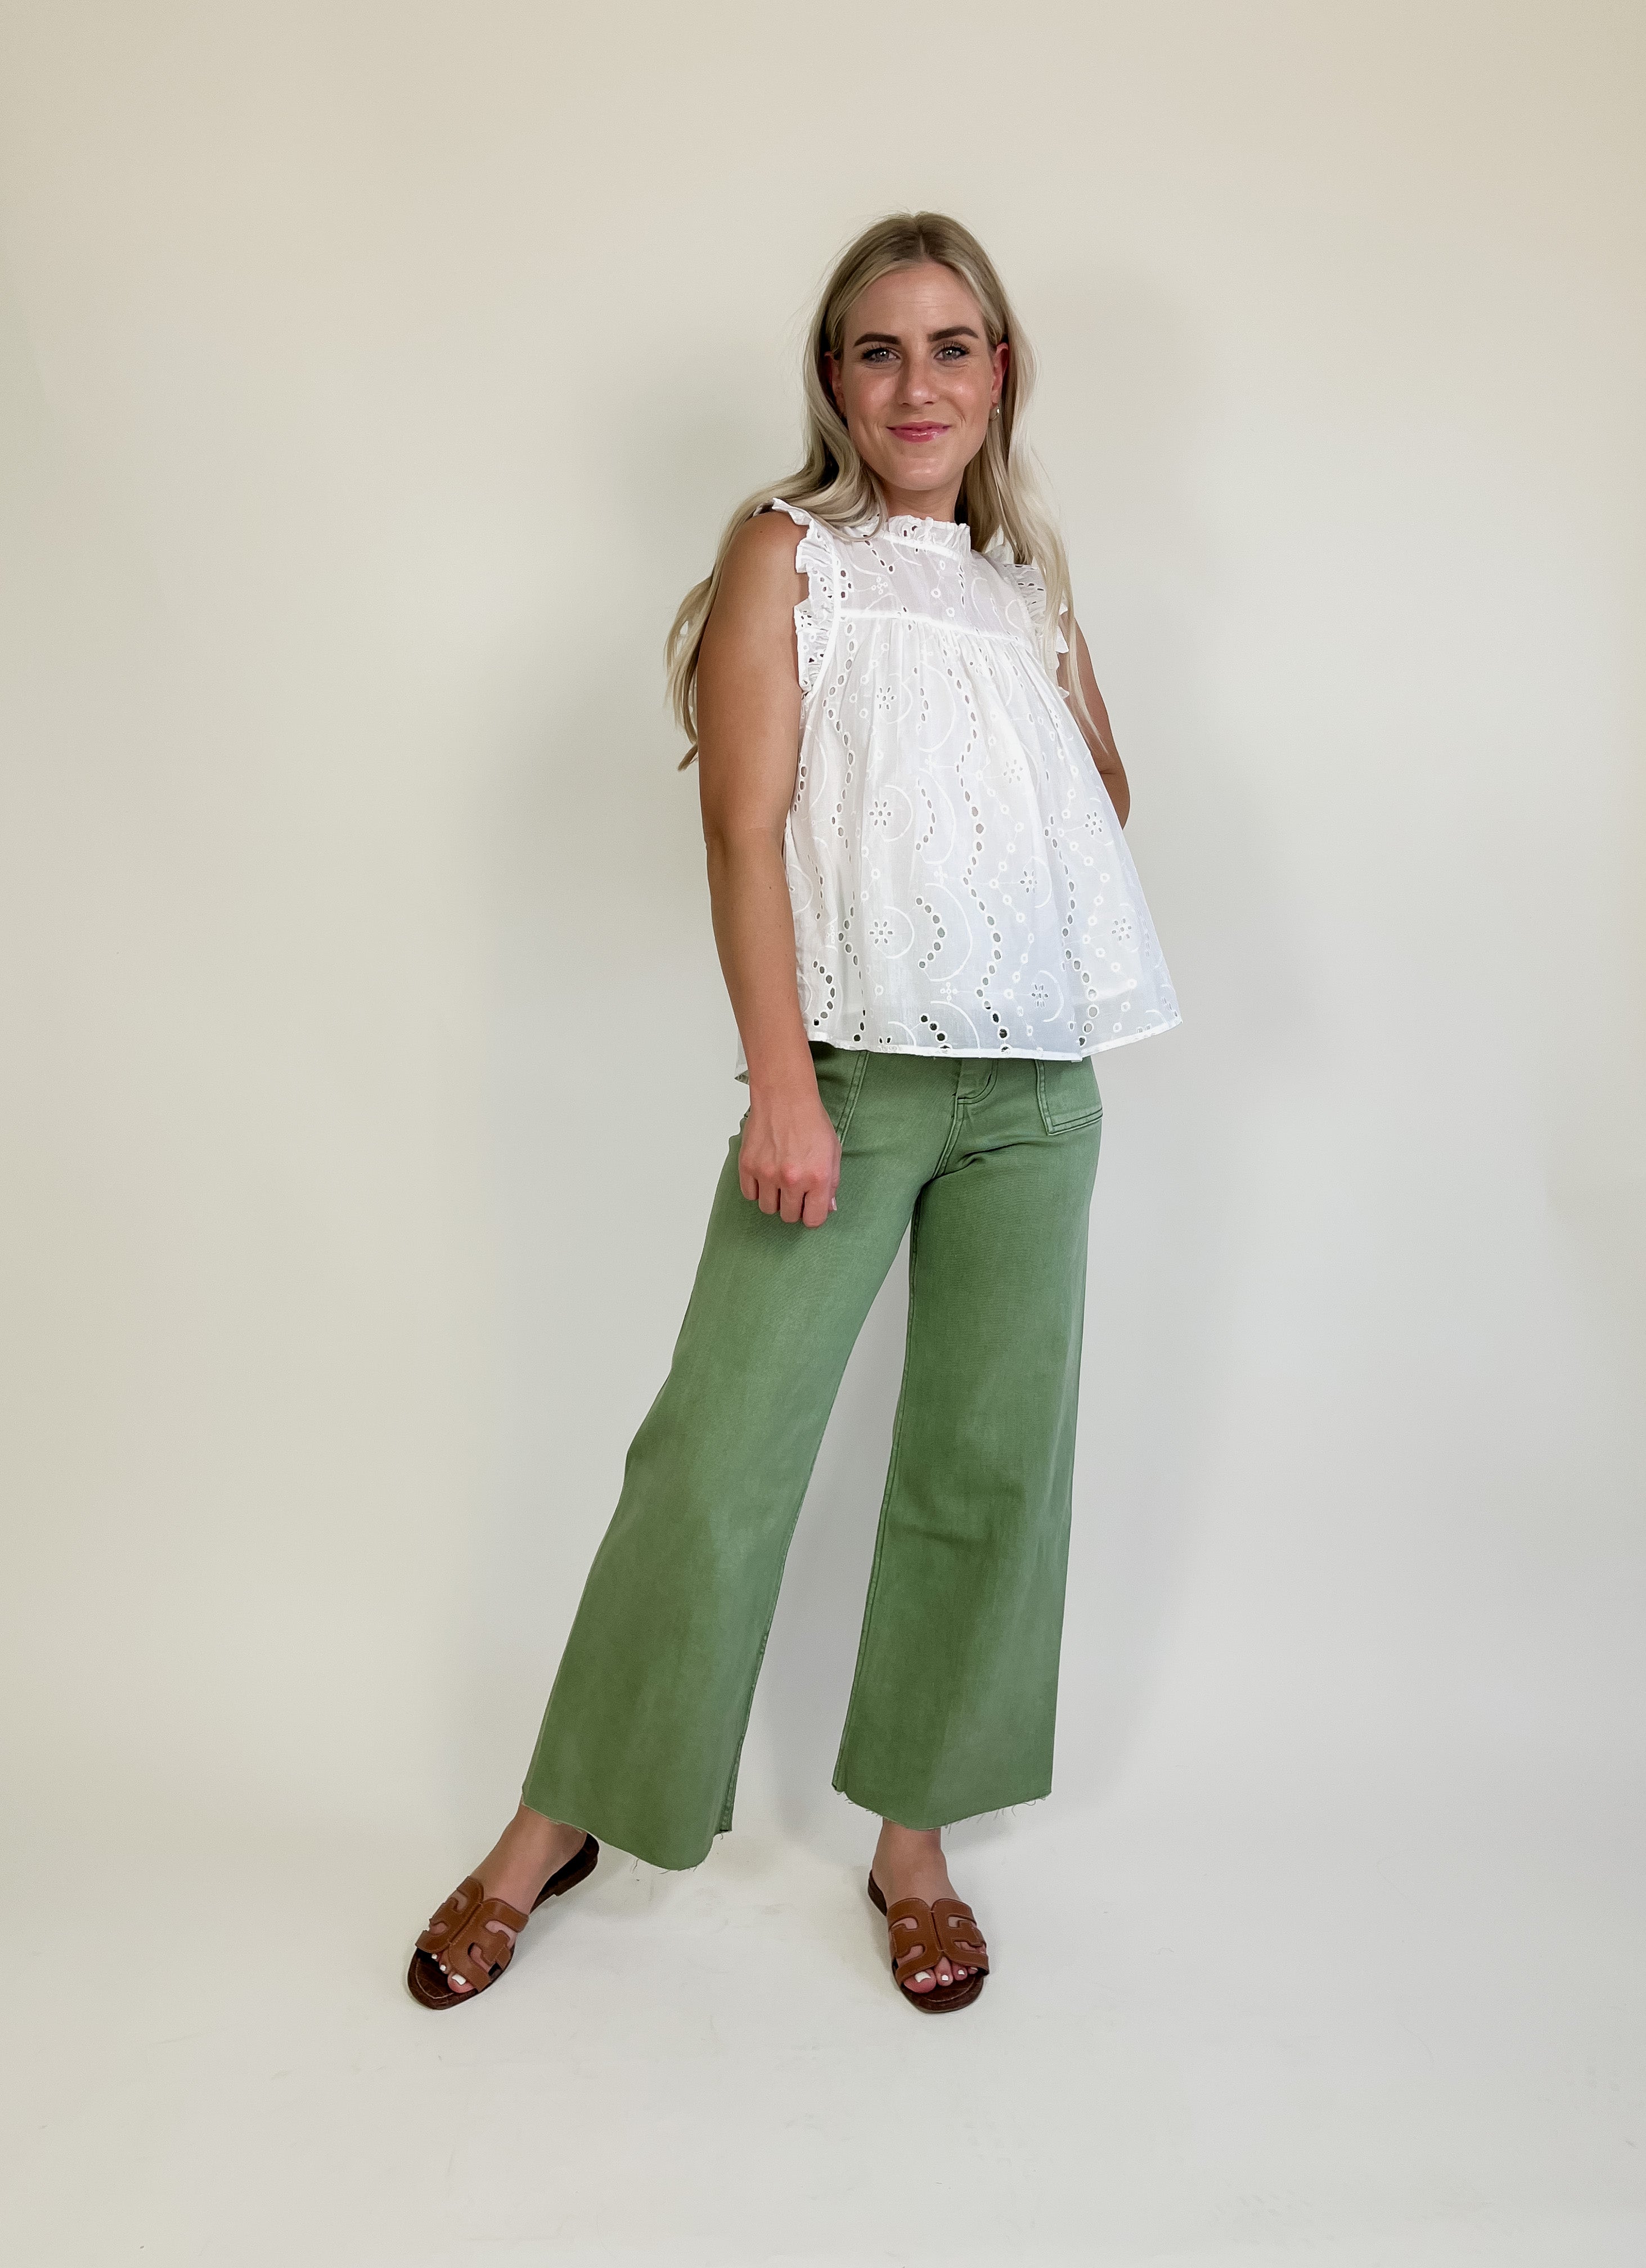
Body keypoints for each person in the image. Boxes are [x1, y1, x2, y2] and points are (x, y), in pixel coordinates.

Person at [408, 210, 1180, 2017]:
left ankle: (915, 1842)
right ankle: (553, 1825)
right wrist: (782, 1087)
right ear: (833, 379)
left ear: (1002, 372)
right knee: (716, 1456)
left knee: (990, 1464)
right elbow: (743, 831)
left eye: (953, 347)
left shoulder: (1025, 589)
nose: (918, 385)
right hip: (848, 1070)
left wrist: (1048, 668)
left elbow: (1098, 816)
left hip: (1034, 1084)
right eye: (878, 349)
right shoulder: (790, 555)